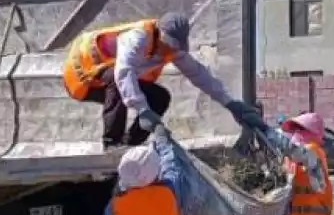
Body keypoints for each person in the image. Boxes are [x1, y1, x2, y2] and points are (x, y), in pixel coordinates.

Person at [63, 12, 262, 149]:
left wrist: (232, 104)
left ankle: (129, 145)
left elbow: (201, 76)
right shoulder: (137, 38)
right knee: (118, 80)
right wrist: (142, 110)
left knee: (160, 97)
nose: (169, 51)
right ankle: (111, 144)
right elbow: (123, 73)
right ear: (159, 34)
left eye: (174, 47)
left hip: (108, 78)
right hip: (83, 78)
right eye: (168, 45)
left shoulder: (173, 51)